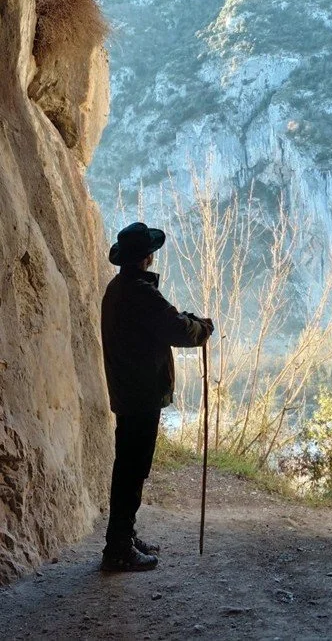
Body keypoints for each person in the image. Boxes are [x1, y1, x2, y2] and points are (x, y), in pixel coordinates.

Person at [100, 221, 213, 572]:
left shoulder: (118, 288)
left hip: (128, 391)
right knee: (133, 468)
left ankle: (123, 536)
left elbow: (163, 322)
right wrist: (202, 326)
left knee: (129, 466)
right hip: (141, 393)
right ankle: (118, 547)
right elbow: (178, 329)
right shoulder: (140, 293)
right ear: (147, 257)